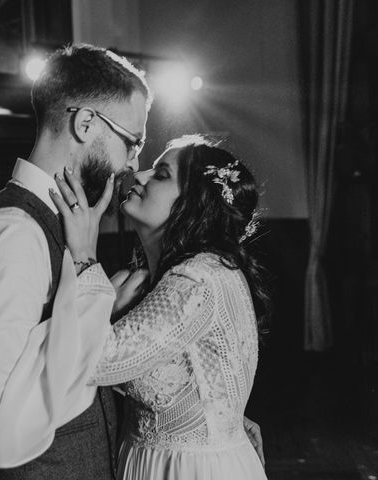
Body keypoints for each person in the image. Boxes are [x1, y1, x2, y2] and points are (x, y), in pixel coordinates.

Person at [0, 43, 151, 479]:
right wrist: (87, 305)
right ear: (85, 122)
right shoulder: (12, 235)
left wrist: (99, 310)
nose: (135, 163)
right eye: (132, 143)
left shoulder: (65, 221)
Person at [50, 134, 269, 479]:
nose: (139, 176)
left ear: (194, 204)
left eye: (161, 174)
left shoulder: (196, 281)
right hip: (154, 462)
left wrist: (82, 256)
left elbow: (91, 362)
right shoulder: (163, 278)